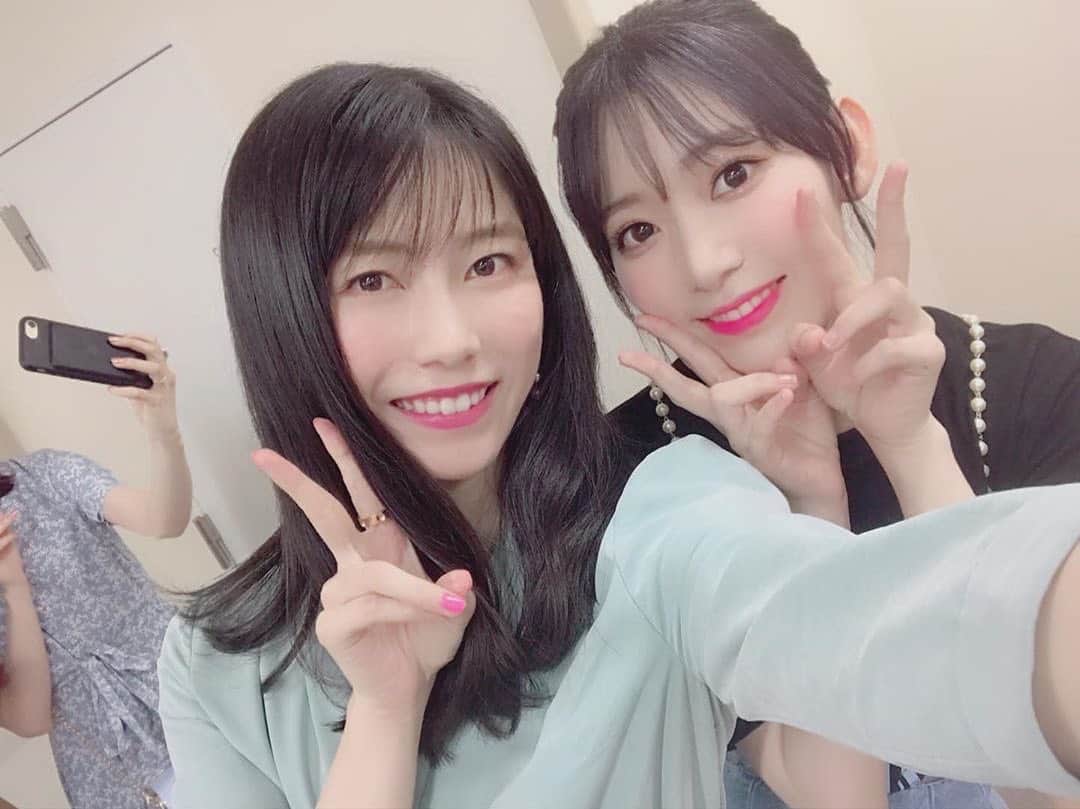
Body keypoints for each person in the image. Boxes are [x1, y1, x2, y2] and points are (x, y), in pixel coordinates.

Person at [157, 63, 1080, 809]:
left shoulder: (656, 507)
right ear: (280, 313)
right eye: (373, 280)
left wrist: (835, 488)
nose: (451, 340)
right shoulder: (212, 663)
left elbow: (905, 659)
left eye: (489, 261)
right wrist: (385, 714)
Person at [552, 1, 1080, 807]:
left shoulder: (1034, 386)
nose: (705, 260)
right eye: (637, 230)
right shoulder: (628, 486)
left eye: (733, 174)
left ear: (847, 145)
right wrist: (812, 509)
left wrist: (912, 447)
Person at [0, 334, 191, 809]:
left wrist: (163, 433)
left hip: (193, 692)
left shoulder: (46, 475)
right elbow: (29, 718)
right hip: (118, 777)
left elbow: (162, 518)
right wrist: (12, 585)